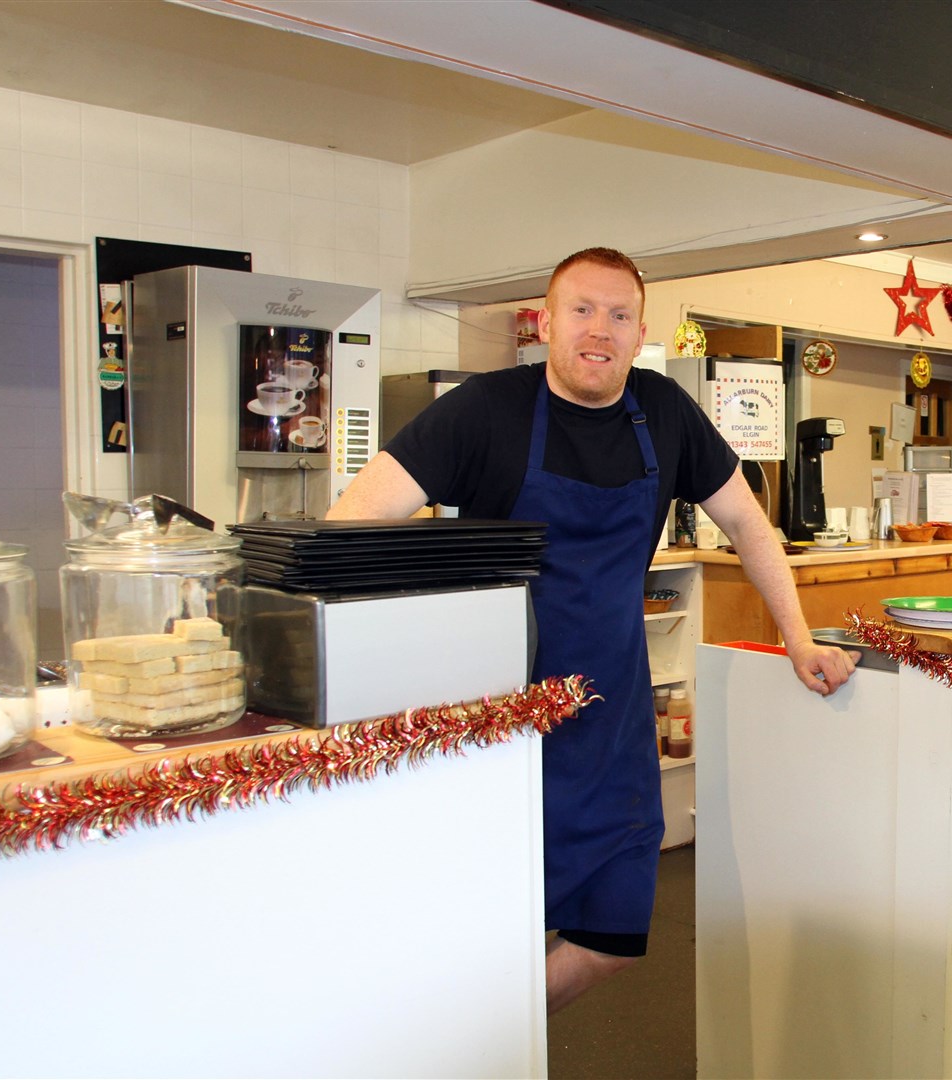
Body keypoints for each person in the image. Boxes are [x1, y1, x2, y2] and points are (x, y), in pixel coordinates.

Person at [328, 247, 856, 1012]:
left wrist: (799, 638)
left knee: (613, 935)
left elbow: (748, 522)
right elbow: (352, 524)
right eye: (581, 310)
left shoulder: (664, 412)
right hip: (496, 724)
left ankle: (482, 1035)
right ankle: (479, 1047)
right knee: (485, 921)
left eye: (618, 315)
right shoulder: (486, 408)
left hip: (608, 718)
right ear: (546, 322)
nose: (598, 331)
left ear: (641, 331)